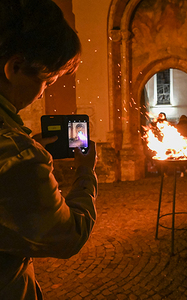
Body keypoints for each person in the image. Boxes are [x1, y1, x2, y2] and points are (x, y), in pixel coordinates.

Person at [0, 1, 97, 299]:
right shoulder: (19, 155)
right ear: (14, 67)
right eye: (47, 80)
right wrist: (86, 171)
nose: (44, 91)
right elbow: (68, 235)